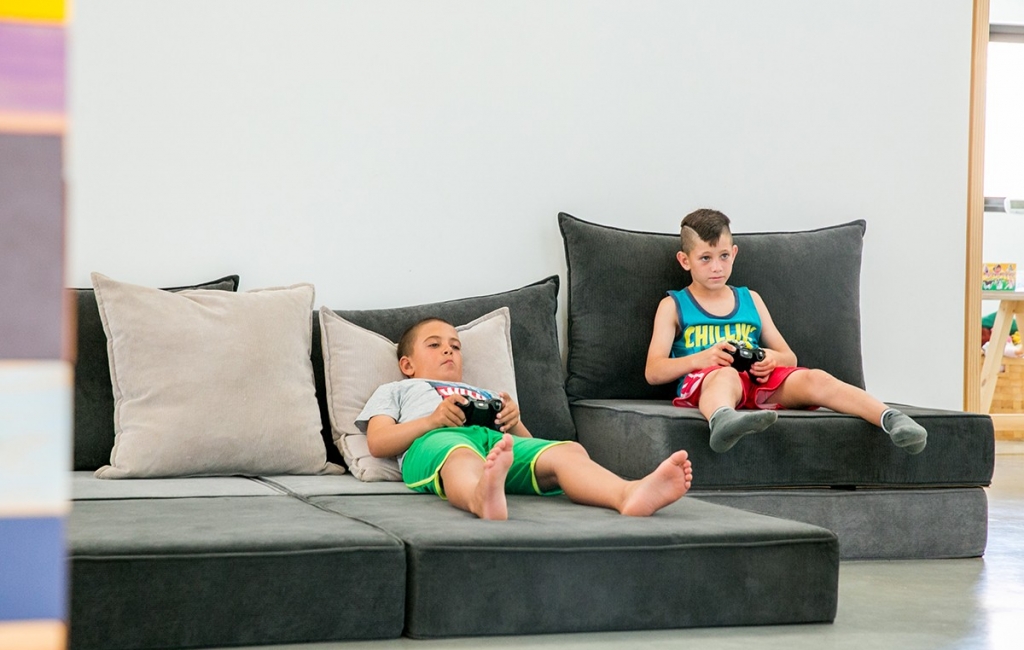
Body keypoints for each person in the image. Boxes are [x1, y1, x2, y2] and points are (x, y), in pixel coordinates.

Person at [644, 208, 928, 455]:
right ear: (685, 260)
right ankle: (723, 420)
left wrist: (771, 359)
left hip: (758, 382)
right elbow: (653, 371)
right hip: (709, 381)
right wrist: (702, 359)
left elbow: (788, 356)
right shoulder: (673, 305)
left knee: (816, 378)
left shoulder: (750, 299)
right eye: (705, 258)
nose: (717, 267)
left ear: (734, 253)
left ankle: (890, 418)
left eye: (723, 256)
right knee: (725, 375)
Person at [358, 317, 693, 520]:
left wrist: (514, 421)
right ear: (407, 365)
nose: (449, 351)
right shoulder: (398, 389)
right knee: (460, 455)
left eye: (456, 347)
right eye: (434, 345)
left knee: (567, 451)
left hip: (494, 443)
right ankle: (479, 496)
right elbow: (378, 442)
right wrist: (432, 421)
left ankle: (627, 493)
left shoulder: (483, 392)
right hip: (435, 441)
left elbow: (528, 444)